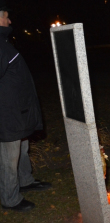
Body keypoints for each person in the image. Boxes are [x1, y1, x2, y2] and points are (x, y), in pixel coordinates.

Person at [0, 2, 51, 212]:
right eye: (5, 16)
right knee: (9, 158)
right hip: (8, 115)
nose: (9, 20)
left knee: (22, 148)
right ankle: (10, 198)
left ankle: (25, 180)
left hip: (18, 113)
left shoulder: (3, 42)